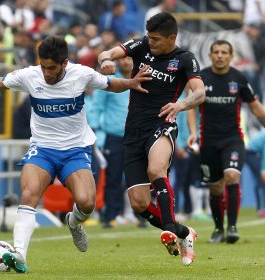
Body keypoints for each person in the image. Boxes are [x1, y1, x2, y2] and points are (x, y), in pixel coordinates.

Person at [0, 35, 151, 273]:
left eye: (52, 68)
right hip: (43, 149)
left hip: (75, 149)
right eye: (43, 67)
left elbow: (111, 85)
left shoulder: (81, 74)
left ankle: (73, 221)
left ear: (64, 64)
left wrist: (130, 83)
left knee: (87, 203)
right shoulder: (30, 75)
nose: (47, 73)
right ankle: (19, 254)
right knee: (28, 193)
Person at [98, 12, 205, 266]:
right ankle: (183, 232)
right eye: (149, 37)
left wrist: (180, 106)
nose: (151, 42)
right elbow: (107, 54)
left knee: (156, 168)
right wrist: (105, 62)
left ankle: (168, 227)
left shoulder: (185, 59)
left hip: (163, 123)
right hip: (133, 131)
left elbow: (199, 93)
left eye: (156, 38)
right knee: (139, 203)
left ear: (172, 38)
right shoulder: (141, 45)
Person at [187, 40, 265, 244]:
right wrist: (193, 133)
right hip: (208, 141)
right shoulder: (201, 78)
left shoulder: (239, 78)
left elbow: (255, 107)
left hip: (233, 140)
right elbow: (191, 108)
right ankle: (218, 229)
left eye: (224, 52)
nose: (220, 56)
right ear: (210, 55)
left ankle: (232, 227)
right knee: (215, 188)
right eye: (216, 52)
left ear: (231, 56)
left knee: (231, 176)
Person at [89, 56, 133, 228]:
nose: (126, 62)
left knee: (138, 177)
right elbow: (96, 107)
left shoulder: (143, 79)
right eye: (122, 59)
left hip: (136, 136)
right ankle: (110, 216)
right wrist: (95, 132)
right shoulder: (109, 82)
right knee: (113, 177)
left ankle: (140, 215)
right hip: (114, 137)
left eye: (129, 58)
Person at [246, 130, 265, 218]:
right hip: (251, 153)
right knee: (261, 179)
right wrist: (263, 170)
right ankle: (261, 209)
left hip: (257, 153)